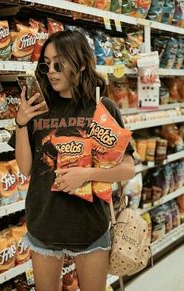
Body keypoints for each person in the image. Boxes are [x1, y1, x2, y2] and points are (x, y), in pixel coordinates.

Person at [9, 30, 135, 291]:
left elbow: (127, 168)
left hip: (89, 224)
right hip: (45, 221)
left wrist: (85, 174)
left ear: (78, 62)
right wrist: (21, 123)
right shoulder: (38, 107)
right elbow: (25, 168)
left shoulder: (102, 107)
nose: (51, 70)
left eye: (59, 63)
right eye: (46, 63)